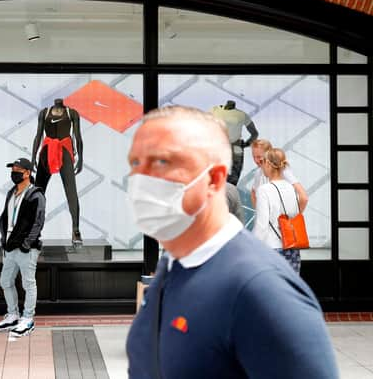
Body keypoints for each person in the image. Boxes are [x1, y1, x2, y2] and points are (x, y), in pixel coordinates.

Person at [125, 106, 338, 379]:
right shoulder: (172, 267)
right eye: (136, 164)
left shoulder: (263, 291)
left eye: (162, 163)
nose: (143, 181)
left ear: (214, 179)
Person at [0, 158, 45, 338]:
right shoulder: (11, 193)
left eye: (18, 170)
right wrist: (4, 240)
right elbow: (5, 217)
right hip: (9, 246)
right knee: (5, 281)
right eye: (12, 169)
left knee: (28, 284)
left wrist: (26, 244)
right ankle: (13, 315)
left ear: (27, 173)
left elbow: (38, 223)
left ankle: (28, 319)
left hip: (26, 249)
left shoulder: (36, 195)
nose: (14, 172)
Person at [31, 98, 83, 247]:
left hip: (65, 151)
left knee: (71, 192)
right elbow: (38, 135)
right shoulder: (44, 113)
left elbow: (78, 137)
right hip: (47, 151)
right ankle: (34, 230)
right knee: (38, 193)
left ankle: (76, 230)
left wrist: (80, 159)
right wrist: (33, 156)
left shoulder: (71, 113)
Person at [253, 148, 303, 274]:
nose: (262, 166)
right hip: (292, 248)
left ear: (268, 164)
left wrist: (252, 248)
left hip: (271, 248)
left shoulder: (264, 190)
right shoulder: (291, 188)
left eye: (263, 162)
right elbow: (295, 215)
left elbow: (262, 225)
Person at [250, 139, 308, 212]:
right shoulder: (259, 173)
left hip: (284, 221)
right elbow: (253, 192)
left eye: (259, 157)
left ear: (269, 154)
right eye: (253, 157)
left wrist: (293, 218)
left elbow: (303, 197)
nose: (256, 161)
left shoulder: (283, 170)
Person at [210, 100, 258, 185]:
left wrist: (246, 143)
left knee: (234, 173)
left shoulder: (242, 115)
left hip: (233, 145)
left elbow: (254, 133)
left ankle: (228, 192)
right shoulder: (215, 110)